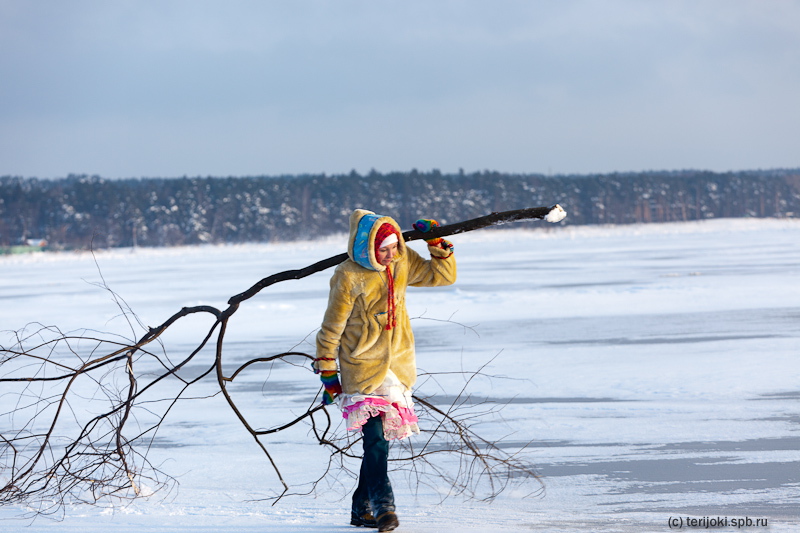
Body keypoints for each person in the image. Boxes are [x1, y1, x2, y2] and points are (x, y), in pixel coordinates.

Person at [313, 209, 456, 532]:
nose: (391, 255)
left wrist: (436, 241)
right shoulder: (348, 275)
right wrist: (327, 371)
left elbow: (442, 276)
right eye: (383, 250)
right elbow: (331, 328)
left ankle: (360, 508)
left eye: (394, 248)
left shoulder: (402, 261)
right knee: (375, 441)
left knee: (379, 444)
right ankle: (383, 507)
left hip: (397, 368)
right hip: (361, 367)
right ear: (367, 248)